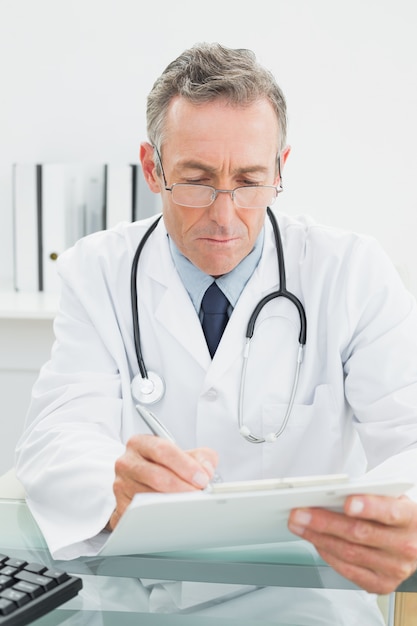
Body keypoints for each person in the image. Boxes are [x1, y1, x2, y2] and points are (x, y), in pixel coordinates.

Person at [15, 42, 417, 624]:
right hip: (135, 594)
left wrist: (403, 517)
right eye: (197, 181)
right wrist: (115, 486)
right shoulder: (97, 270)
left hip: (304, 597)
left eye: (250, 181)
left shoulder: (351, 272)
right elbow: (57, 435)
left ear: (281, 169)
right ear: (154, 168)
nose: (225, 216)